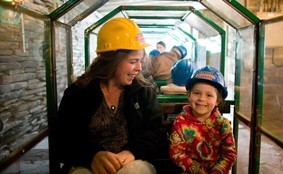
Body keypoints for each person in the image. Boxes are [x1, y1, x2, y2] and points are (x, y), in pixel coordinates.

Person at [54, 17, 175, 174]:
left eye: (140, 60)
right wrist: (91, 156)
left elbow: (156, 131)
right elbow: (63, 140)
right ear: (111, 61)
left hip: (134, 162)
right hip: (87, 164)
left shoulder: (143, 90)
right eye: (133, 61)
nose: (139, 68)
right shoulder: (78, 93)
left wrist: (132, 152)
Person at [169, 65, 237, 174]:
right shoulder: (180, 122)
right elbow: (177, 153)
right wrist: (197, 170)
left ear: (217, 101)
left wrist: (217, 171)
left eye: (209, 95)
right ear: (189, 96)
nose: (201, 99)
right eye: (196, 93)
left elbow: (229, 154)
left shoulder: (223, 125)